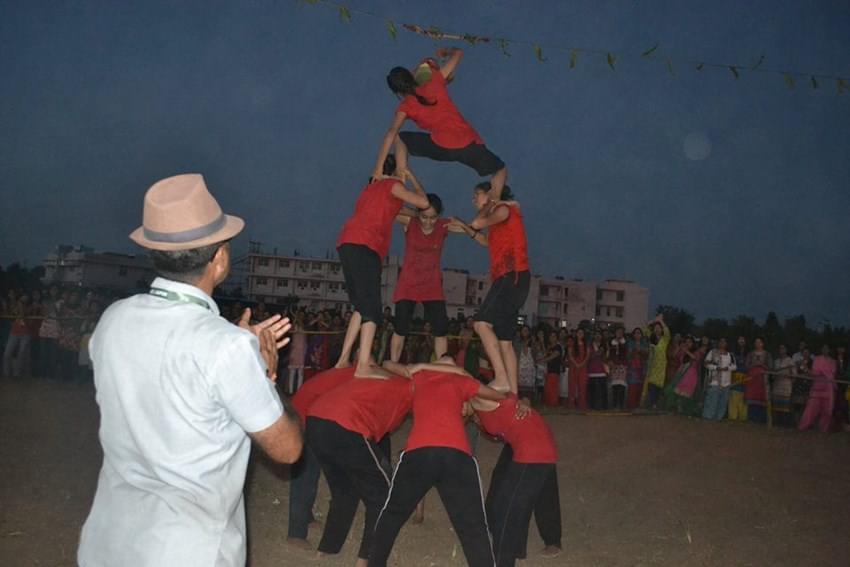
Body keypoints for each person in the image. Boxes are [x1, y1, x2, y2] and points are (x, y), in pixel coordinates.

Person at [77, 174, 303, 567]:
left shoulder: (114, 319)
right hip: (187, 549)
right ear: (220, 258)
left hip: (109, 540)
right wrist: (263, 373)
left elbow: (167, 362)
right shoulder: (226, 348)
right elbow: (288, 449)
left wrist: (236, 350)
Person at [369, 357, 505, 567]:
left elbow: (387, 364)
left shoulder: (420, 376)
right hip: (456, 454)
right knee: (473, 527)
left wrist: (422, 365)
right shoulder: (460, 380)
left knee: (392, 515)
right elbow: (498, 397)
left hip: (419, 453)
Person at [305, 367, 414, 567]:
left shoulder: (389, 381)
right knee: (383, 495)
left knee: (344, 491)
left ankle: (327, 548)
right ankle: (367, 559)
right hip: (346, 425)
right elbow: (378, 433)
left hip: (315, 420)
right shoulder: (409, 389)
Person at [335, 155, 430, 378]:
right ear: (397, 172)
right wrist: (411, 177)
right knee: (372, 308)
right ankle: (363, 365)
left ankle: (342, 360)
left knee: (361, 306)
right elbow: (424, 203)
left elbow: (412, 212)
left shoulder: (372, 188)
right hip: (366, 245)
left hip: (347, 242)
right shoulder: (393, 185)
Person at [375, 47, 507, 201]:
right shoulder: (435, 82)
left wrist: (378, 169)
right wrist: (445, 52)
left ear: (396, 92)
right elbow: (459, 53)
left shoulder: (405, 106)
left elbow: (391, 133)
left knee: (400, 138)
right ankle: (495, 200)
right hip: (468, 144)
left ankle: (401, 175)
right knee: (500, 169)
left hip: (442, 147)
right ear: (410, 76)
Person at [450, 183, 530, 393]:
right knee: (505, 341)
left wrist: (486, 208)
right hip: (514, 279)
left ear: (491, 194)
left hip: (511, 276)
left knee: (481, 324)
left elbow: (478, 222)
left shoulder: (504, 209)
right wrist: (464, 227)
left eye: (477, 194)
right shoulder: (500, 218)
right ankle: (513, 394)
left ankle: (501, 378)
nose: (473, 199)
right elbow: (487, 241)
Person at [475, 395, 562, 566]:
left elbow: (514, 393)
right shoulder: (477, 412)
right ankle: (515, 548)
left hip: (531, 439)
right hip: (515, 440)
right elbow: (495, 435)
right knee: (504, 490)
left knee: (535, 491)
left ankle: (550, 539)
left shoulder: (483, 396)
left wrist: (524, 401)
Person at [390, 171, 459, 363]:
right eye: (424, 217)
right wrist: (416, 208)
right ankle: (393, 364)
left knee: (440, 328)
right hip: (408, 283)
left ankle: (441, 365)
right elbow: (392, 206)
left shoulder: (443, 226)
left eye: (433, 218)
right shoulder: (410, 222)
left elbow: (472, 228)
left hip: (432, 285)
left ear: (439, 216)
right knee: (400, 327)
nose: (428, 222)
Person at [287, 367, 357, 550]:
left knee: (312, 473)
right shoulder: (352, 378)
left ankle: (306, 517)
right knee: (305, 477)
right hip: (302, 421)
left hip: (309, 417)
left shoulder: (347, 373)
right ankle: (296, 532)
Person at [798, 345, 837, 433]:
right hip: (817, 387)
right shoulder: (817, 359)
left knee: (827, 411)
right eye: (823, 348)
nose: (825, 350)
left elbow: (832, 373)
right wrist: (821, 372)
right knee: (811, 409)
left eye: (827, 348)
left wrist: (822, 372)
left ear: (829, 350)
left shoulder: (833, 361)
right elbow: (815, 372)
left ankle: (823, 429)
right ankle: (803, 426)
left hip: (828, 388)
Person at [702, 338, 736, 421]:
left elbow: (734, 366)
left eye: (724, 342)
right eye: (721, 341)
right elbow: (706, 363)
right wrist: (716, 368)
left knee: (722, 402)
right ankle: (707, 417)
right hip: (714, 381)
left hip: (726, 382)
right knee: (712, 400)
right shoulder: (712, 352)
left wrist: (727, 368)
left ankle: (718, 418)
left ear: (727, 344)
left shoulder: (730, 355)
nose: (722, 343)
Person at [641, 315, 670, 409]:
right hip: (652, 365)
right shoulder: (651, 337)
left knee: (658, 386)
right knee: (651, 384)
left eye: (659, 328)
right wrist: (653, 321)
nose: (657, 329)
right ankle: (651, 404)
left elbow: (667, 331)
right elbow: (644, 328)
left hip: (661, 366)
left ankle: (654, 404)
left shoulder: (664, 339)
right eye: (655, 328)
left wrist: (661, 321)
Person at [744, 338, 773, 423]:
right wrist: (754, 365)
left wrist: (762, 365)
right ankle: (751, 418)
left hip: (762, 379)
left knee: (762, 397)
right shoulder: (750, 354)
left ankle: (761, 419)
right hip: (752, 378)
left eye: (759, 342)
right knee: (751, 397)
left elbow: (771, 367)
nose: (757, 344)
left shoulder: (767, 354)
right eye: (756, 342)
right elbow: (746, 366)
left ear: (762, 344)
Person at [772, 344, 795, 426]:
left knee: (785, 407)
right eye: (780, 348)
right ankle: (776, 423)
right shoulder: (776, 361)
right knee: (776, 405)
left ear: (786, 350)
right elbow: (773, 374)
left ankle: (785, 424)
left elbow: (794, 375)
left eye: (783, 348)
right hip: (777, 386)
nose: (781, 350)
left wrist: (790, 383)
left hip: (786, 386)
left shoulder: (790, 361)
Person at [567, 328, 589, 409]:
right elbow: (570, 355)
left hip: (583, 367)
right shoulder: (572, 344)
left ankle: (582, 403)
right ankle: (571, 403)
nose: (580, 334)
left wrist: (581, 364)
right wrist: (576, 364)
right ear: (576, 334)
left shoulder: (586, 344)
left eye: (582, 333)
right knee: (572, 385)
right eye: (579, 333)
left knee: (582, 386)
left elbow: (587, 356)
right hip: (573, 367)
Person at [626, 327, 647, 409]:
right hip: (633, 368)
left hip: (642, 367)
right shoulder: (630, 343)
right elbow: (628, 355)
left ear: (641, 335)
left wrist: (640, 350)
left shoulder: (644, 344)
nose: (637, 334)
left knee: (640, 386)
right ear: (633, 335)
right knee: (632, 386)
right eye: (636, 333)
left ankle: (638, 405)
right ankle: (631, 405)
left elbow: (647, 354)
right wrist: (635, 350)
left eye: (639, 333)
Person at [586, 331, 608, 410]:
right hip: (592, 370)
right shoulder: (590, 346)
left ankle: (604, 407)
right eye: (596, 334)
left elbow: (606, 358)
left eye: (599, 334)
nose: (598, 336)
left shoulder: (605, 346)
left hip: (602, 370)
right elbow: (588, 357)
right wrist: (598, 353)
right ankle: (592, 406)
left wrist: (602, 353)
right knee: (592, 390)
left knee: (603, 390)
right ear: (594, 336)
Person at [542, 330, 563, 407]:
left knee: (553, 388)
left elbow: (552, 356)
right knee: (548, 388)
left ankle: (553, 404)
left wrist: (540, 361)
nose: (552, 338)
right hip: (548, 370)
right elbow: (545, 354)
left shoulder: (558, 347)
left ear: (557, 338)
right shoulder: (549, 347)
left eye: (554, 336)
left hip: (554, 370)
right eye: (551, 336)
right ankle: (549, 404)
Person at [609, 327, 628, 410]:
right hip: (614, 366)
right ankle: (614, 405)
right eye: (618, 332)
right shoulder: (611, 342)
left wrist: (620, 344)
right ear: (615, 333)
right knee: (615, 386)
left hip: (622, 366)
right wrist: (611, 362)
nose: (619, 334)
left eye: (621, 332)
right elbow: (610, 354)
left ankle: (621, 405)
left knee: (622, 386)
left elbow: (626, 353)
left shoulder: (625, 342)